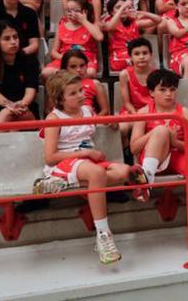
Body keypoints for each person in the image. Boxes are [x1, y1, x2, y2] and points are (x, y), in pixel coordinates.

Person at [36, 71, 148, 264]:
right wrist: (85, 154)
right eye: (73, 93)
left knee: (126, 171)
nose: (81, 95)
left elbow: (99, 122)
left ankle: (62, 184)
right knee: (97, 173)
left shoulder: (87, 110)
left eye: (80, 90)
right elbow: (50, 157)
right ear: (59, 98)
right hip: (66, 162)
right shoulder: (54, 118)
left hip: (89, 162)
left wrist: (109, 123)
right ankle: (103, 235)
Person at [131, 69, 188, 250]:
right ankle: (145, 181)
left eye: (172, 89)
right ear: (151, 92)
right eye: (162, 90)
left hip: (178, 154)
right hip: (153, 157)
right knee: (160, 131)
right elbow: (134, 147)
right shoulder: (143, 112)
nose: (168, 94)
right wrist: (158, 133)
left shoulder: (185, 112)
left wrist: (174, 140)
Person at [0, 21, 39, 124]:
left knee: (6, 115)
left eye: (15, 37)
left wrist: (21, 104)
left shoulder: (30, 61)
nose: (13, 42)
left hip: (25, 108)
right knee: (9, 123)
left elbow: (30, 92)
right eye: (7, 38)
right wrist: (9, 105)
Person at [42, 0, 103, 79]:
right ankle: (70, 77)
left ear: (85, 12)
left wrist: (83, 21)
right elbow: (53, 52)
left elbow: (99, 37)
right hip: (65, 59)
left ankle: (68, 77)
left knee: (90, 72)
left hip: (85, 61)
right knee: (45, 72)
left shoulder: (91, 26)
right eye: (68, 10)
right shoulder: (61, 26)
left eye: (76, 11)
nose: (71, 13)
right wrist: (67, 59)